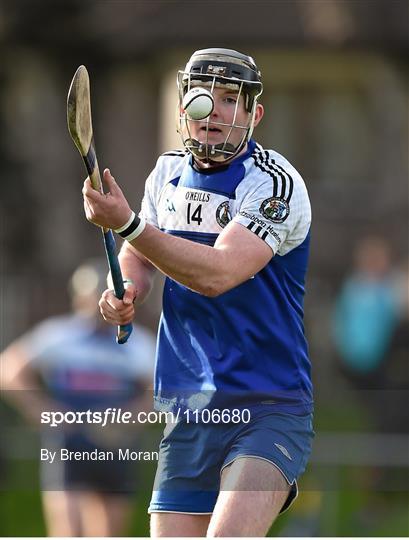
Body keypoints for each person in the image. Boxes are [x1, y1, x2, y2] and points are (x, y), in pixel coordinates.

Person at [82, 48, 314, 537]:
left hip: (267, 407)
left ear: (255, 114)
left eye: (232, 99)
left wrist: (126, 224)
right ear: (184, 105)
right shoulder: (165, 174)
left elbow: (218, 275)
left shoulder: (274, 184)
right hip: (187, 410)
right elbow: (139, 258)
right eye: (205, 96)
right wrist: (126, 289)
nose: (215, 111)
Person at [1, 260, 156, 537]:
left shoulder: (136, 342)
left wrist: (128, 418)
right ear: (78, 297)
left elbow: (160, 391)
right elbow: (9, 369)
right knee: (67, 531)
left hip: (114, 446)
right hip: (67, 444)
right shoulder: (59, 336)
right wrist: (42, 409)